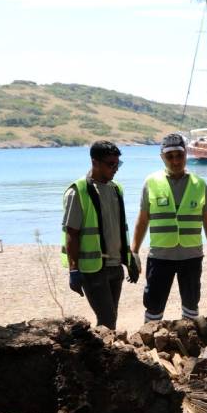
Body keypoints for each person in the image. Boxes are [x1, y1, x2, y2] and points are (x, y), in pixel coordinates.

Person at [132, 133, 207, 323]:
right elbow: (142, 219)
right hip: (160, 257)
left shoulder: (199, 184)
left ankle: (189, 343)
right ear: (162, 158)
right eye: (170, 156)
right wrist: (134, 252)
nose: (175, 161)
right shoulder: (151, 182)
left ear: (186, 154)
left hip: (191, 257)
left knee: (191, 306)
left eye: (179, 155)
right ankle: (150, 345)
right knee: (153, 306)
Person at [61, 140, 140, 329]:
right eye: (110, 164)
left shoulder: (116, 189)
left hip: (115, 267)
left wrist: (130, 260)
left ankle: (104, 353)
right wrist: (73, 270)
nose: (116, 169)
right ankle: (103, 355)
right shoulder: (78, 191)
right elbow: (72, 233)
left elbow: (119, 229)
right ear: (94, 162)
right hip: (93, 270)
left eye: (117, 164)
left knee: (110, 319)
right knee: (107, 320)